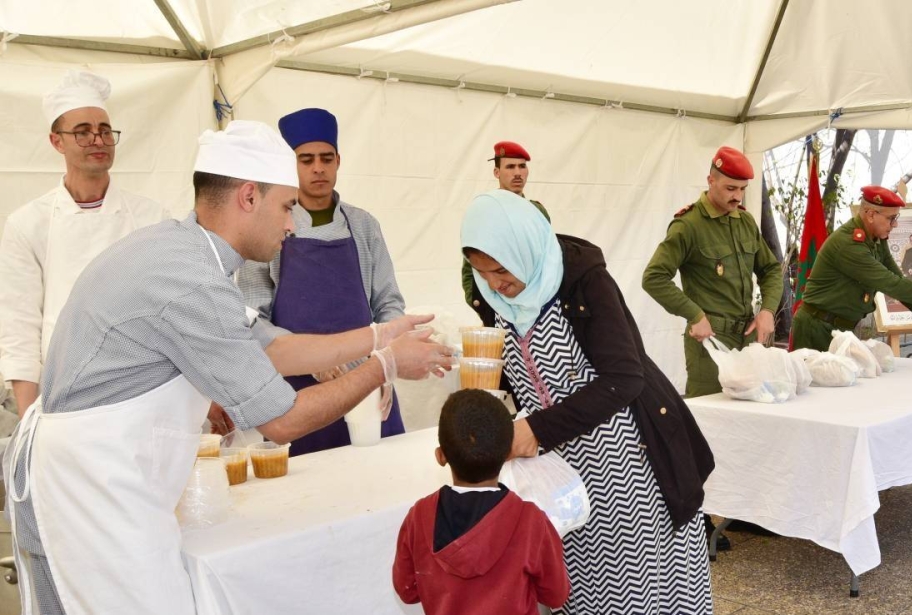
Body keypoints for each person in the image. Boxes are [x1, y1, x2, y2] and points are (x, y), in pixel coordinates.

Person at [2, 120, 454, 615]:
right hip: (91, 487)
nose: (291, 225)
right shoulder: (190, 278)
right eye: (286, 207)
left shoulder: (178, 249)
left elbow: (272, 348)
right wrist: (383, 367)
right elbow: (282, 420)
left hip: (93, 474)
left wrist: (377, 336)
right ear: (247, 197)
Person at [462, 190, 715, 614]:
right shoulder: (499, 303)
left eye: (501, 269)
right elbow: (522, 375)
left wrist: (536, 430)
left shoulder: (582, 280)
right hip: (560, 472)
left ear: (524, 249)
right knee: (581, 587)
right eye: (481, 272)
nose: (494, 283)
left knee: (637, 588)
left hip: (626, 467)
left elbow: (624, 378)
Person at [238, 108, 407, 455]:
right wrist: (312, 358)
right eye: (306, 159)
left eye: (326, 158)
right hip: (299, 394)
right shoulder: (269, 227)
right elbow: (253, 318)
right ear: (290, 165)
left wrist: (384, 364)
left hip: (367, 385)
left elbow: (389, 304)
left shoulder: (363, 226)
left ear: (338, 161)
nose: (318, 168)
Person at [0, 70, 170, 416]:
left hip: (144, 391)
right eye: (83, 132)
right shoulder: (27, 224)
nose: (98, 140)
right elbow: (19, 327)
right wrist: (30, 420)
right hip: (65, 395)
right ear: (56, 141)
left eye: (105, 130)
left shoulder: (153, 218)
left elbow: (175, 309)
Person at [392, 389, 569, 615]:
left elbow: (407, 591)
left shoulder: (419, 517)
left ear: (440, 456)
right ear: (508, 453)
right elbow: (556, 595)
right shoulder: (531, 521)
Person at [642, 146, 782, 399]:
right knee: (710, 422)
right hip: (710, 343)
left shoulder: (745, 221)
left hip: (747, 338)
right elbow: (653, 277)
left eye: (742, 189)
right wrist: (694, 315)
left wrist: (768, 310)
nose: (738, 196)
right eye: (731, 188)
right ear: (711, 180)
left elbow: (771, 269)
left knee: (751, 419)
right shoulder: (689, 225)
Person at [789, 186, 912, 352]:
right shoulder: (849, 245)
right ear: (870, 214)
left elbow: (899, 279)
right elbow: (893, 285)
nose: (895, 224)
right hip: (816, 329)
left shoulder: (875, 239)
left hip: (840, 328)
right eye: (891, 218)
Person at [462, 141, 551, 309]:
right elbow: (471, 263)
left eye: (522, 166)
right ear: (497, 172)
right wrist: (478, 301)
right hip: (495, 300)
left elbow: (547, 258)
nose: (517, 173)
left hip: (533, 303)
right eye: (510, 167)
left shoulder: (537, 212)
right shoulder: (485, 210)